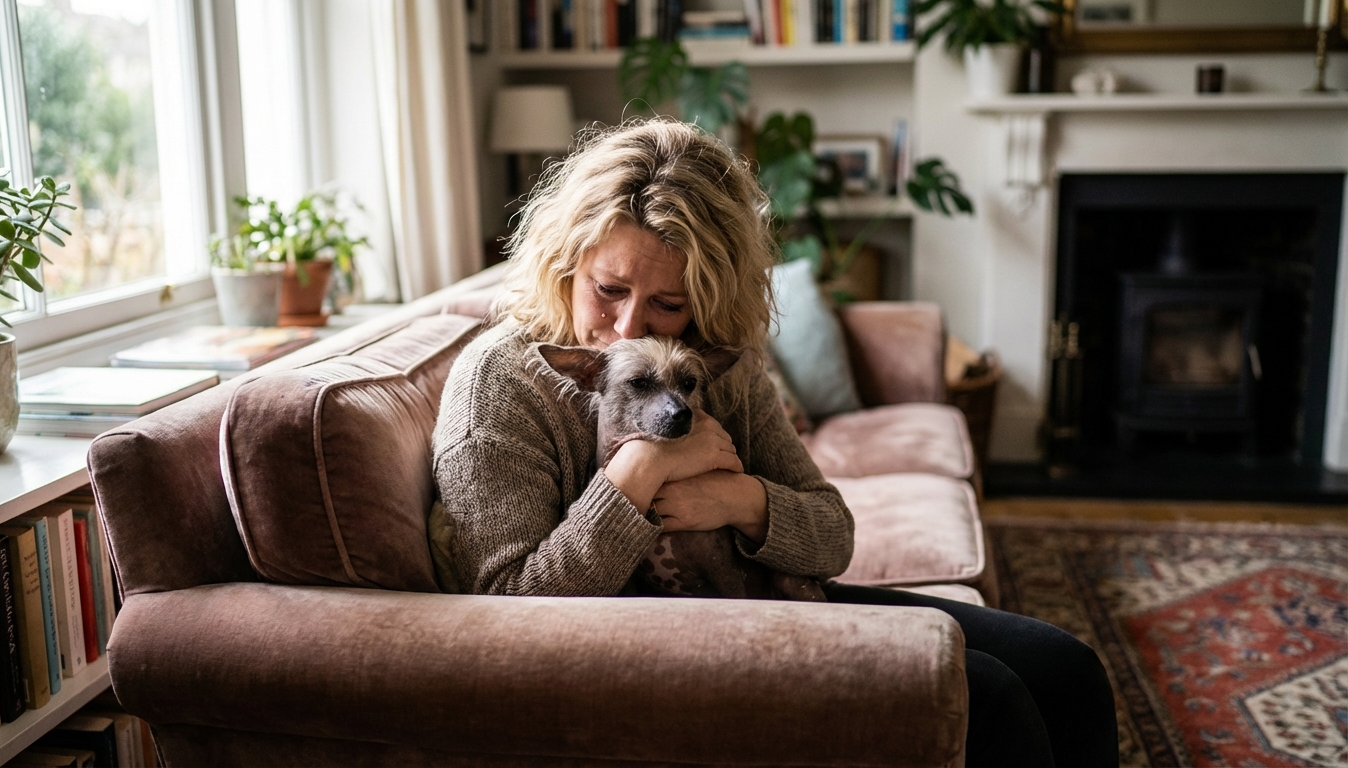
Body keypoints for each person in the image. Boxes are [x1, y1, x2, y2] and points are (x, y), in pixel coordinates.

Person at [432, 118, 1118, 767]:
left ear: (706, 298)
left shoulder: (712, 365)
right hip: (639, 643)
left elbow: (832, 536)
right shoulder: (499, 384)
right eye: (608, 289)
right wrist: (639, 473)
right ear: (566, 264)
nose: (629, 325)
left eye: (668, 305)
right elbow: (508, 608)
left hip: (757, 600)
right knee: (990, 698)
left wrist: (737, 500)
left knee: (1066, 668)